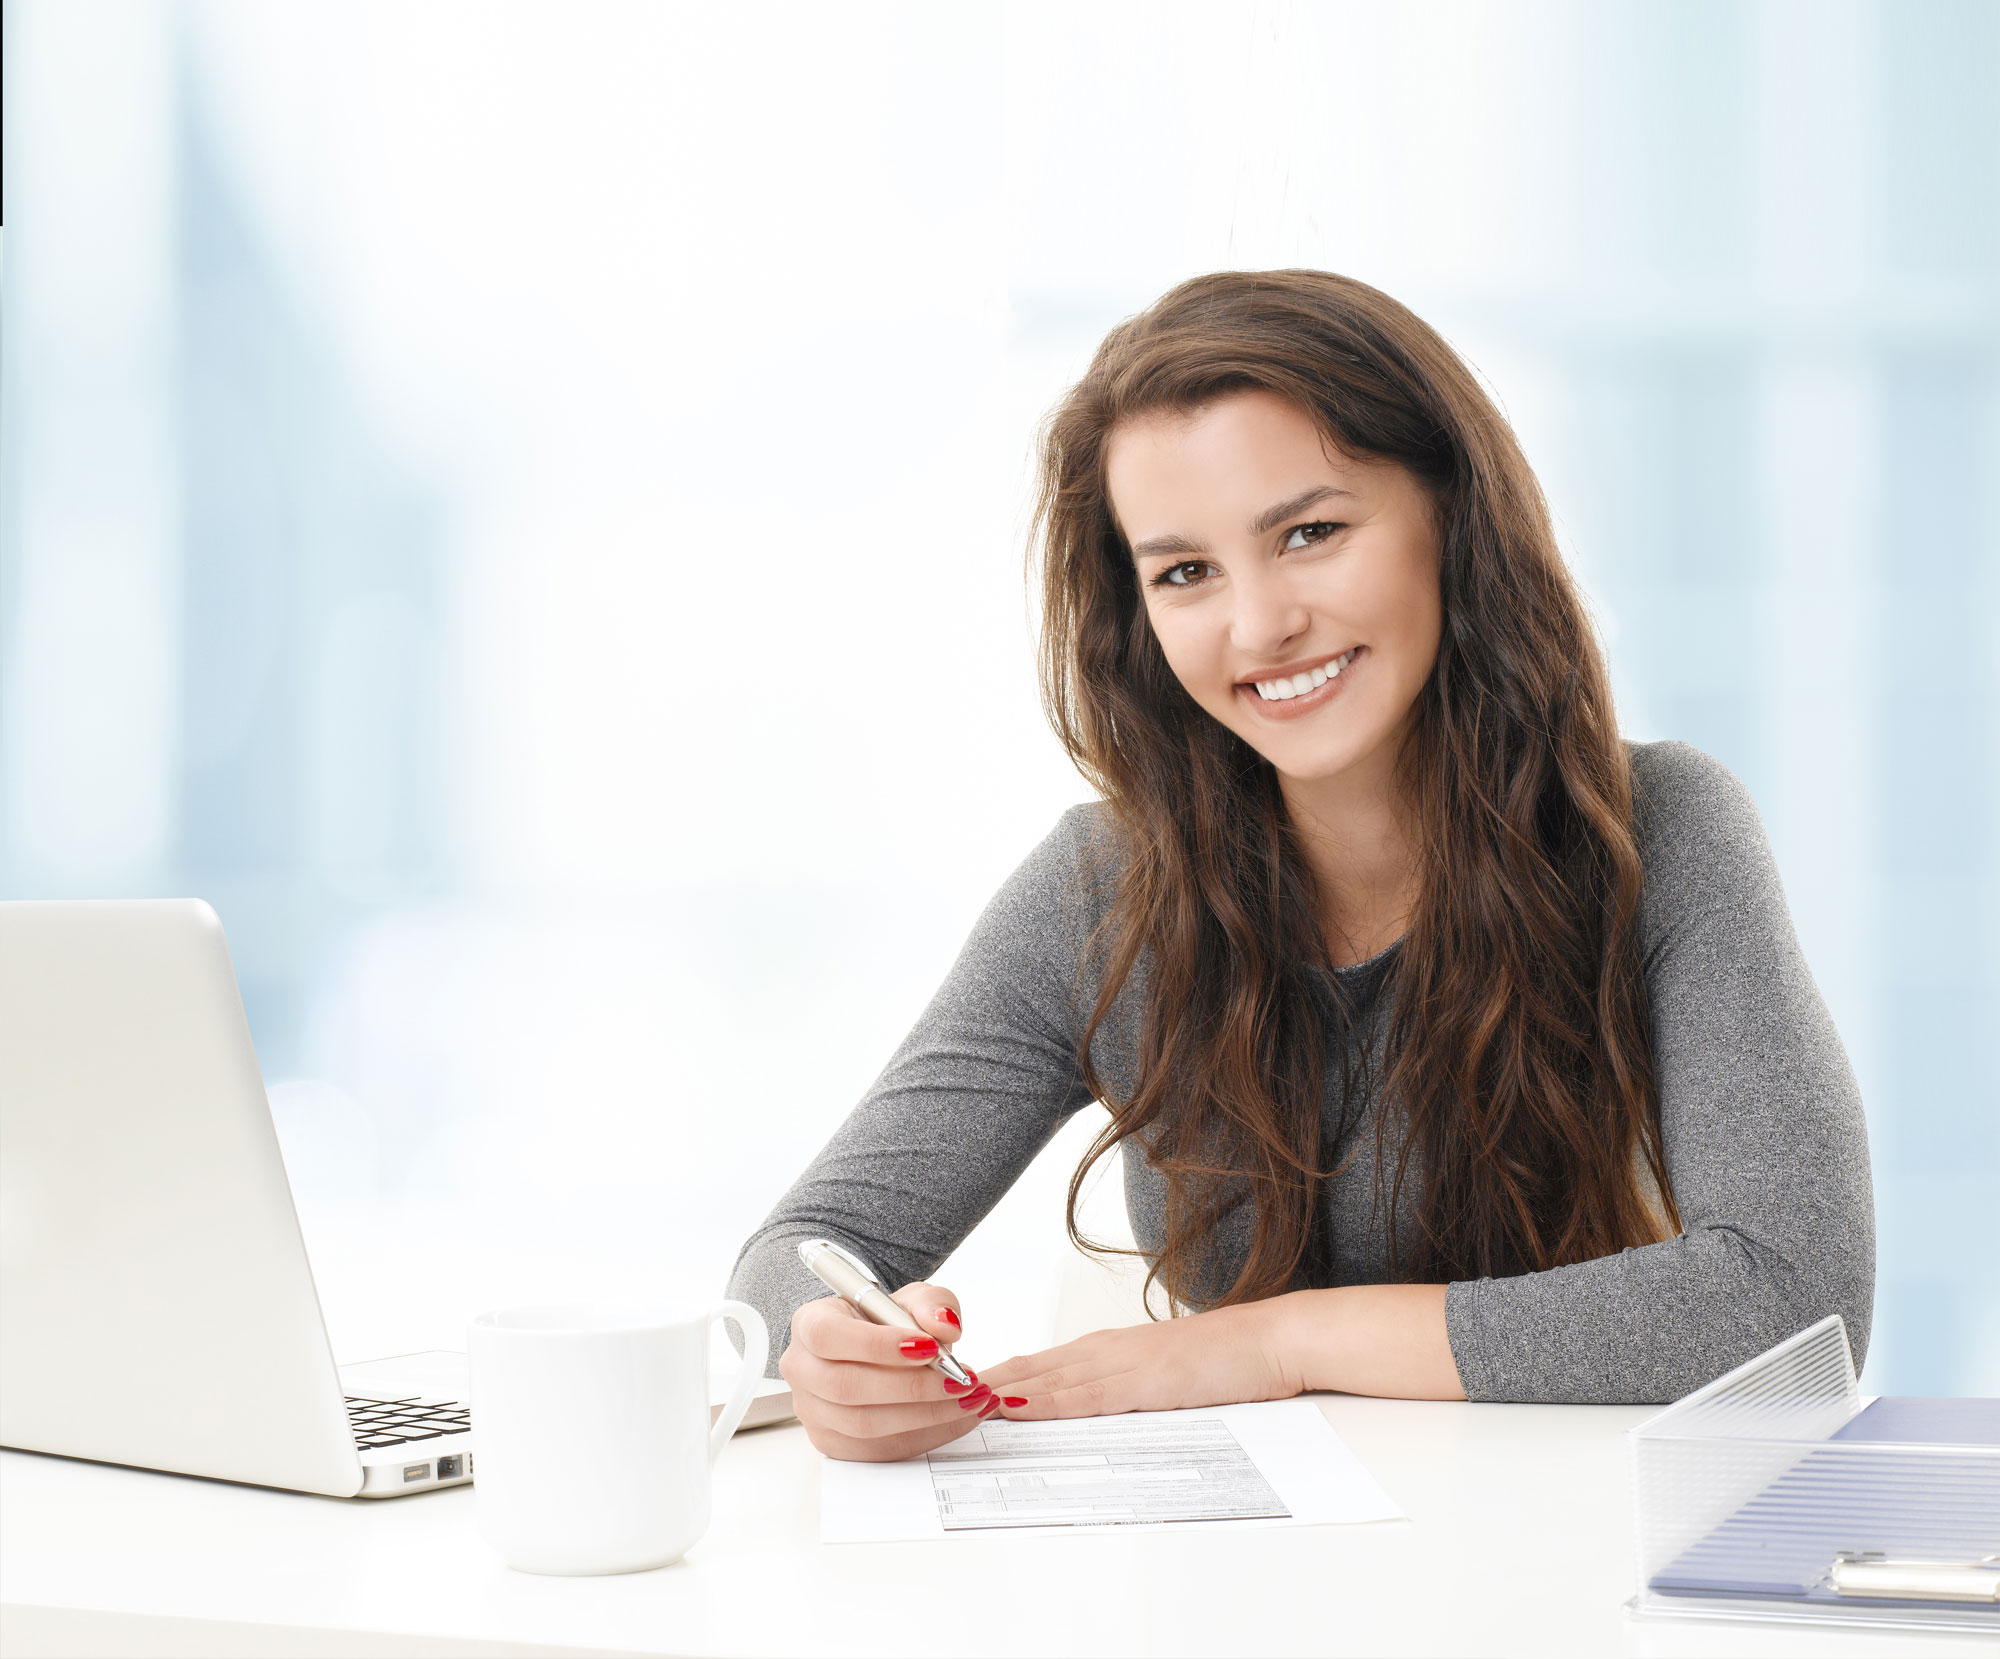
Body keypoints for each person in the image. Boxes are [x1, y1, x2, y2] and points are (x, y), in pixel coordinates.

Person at [726, 269, 1874, 1463]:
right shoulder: (1102, 890)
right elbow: (799, 1254)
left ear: (1452, 517)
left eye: (1309, 533)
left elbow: (1794, 1307)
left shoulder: (1663, 830)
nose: (1257, 625)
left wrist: (1270, 1346)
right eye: (1183, 573)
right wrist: (837, 1353)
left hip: (1579, 1581)